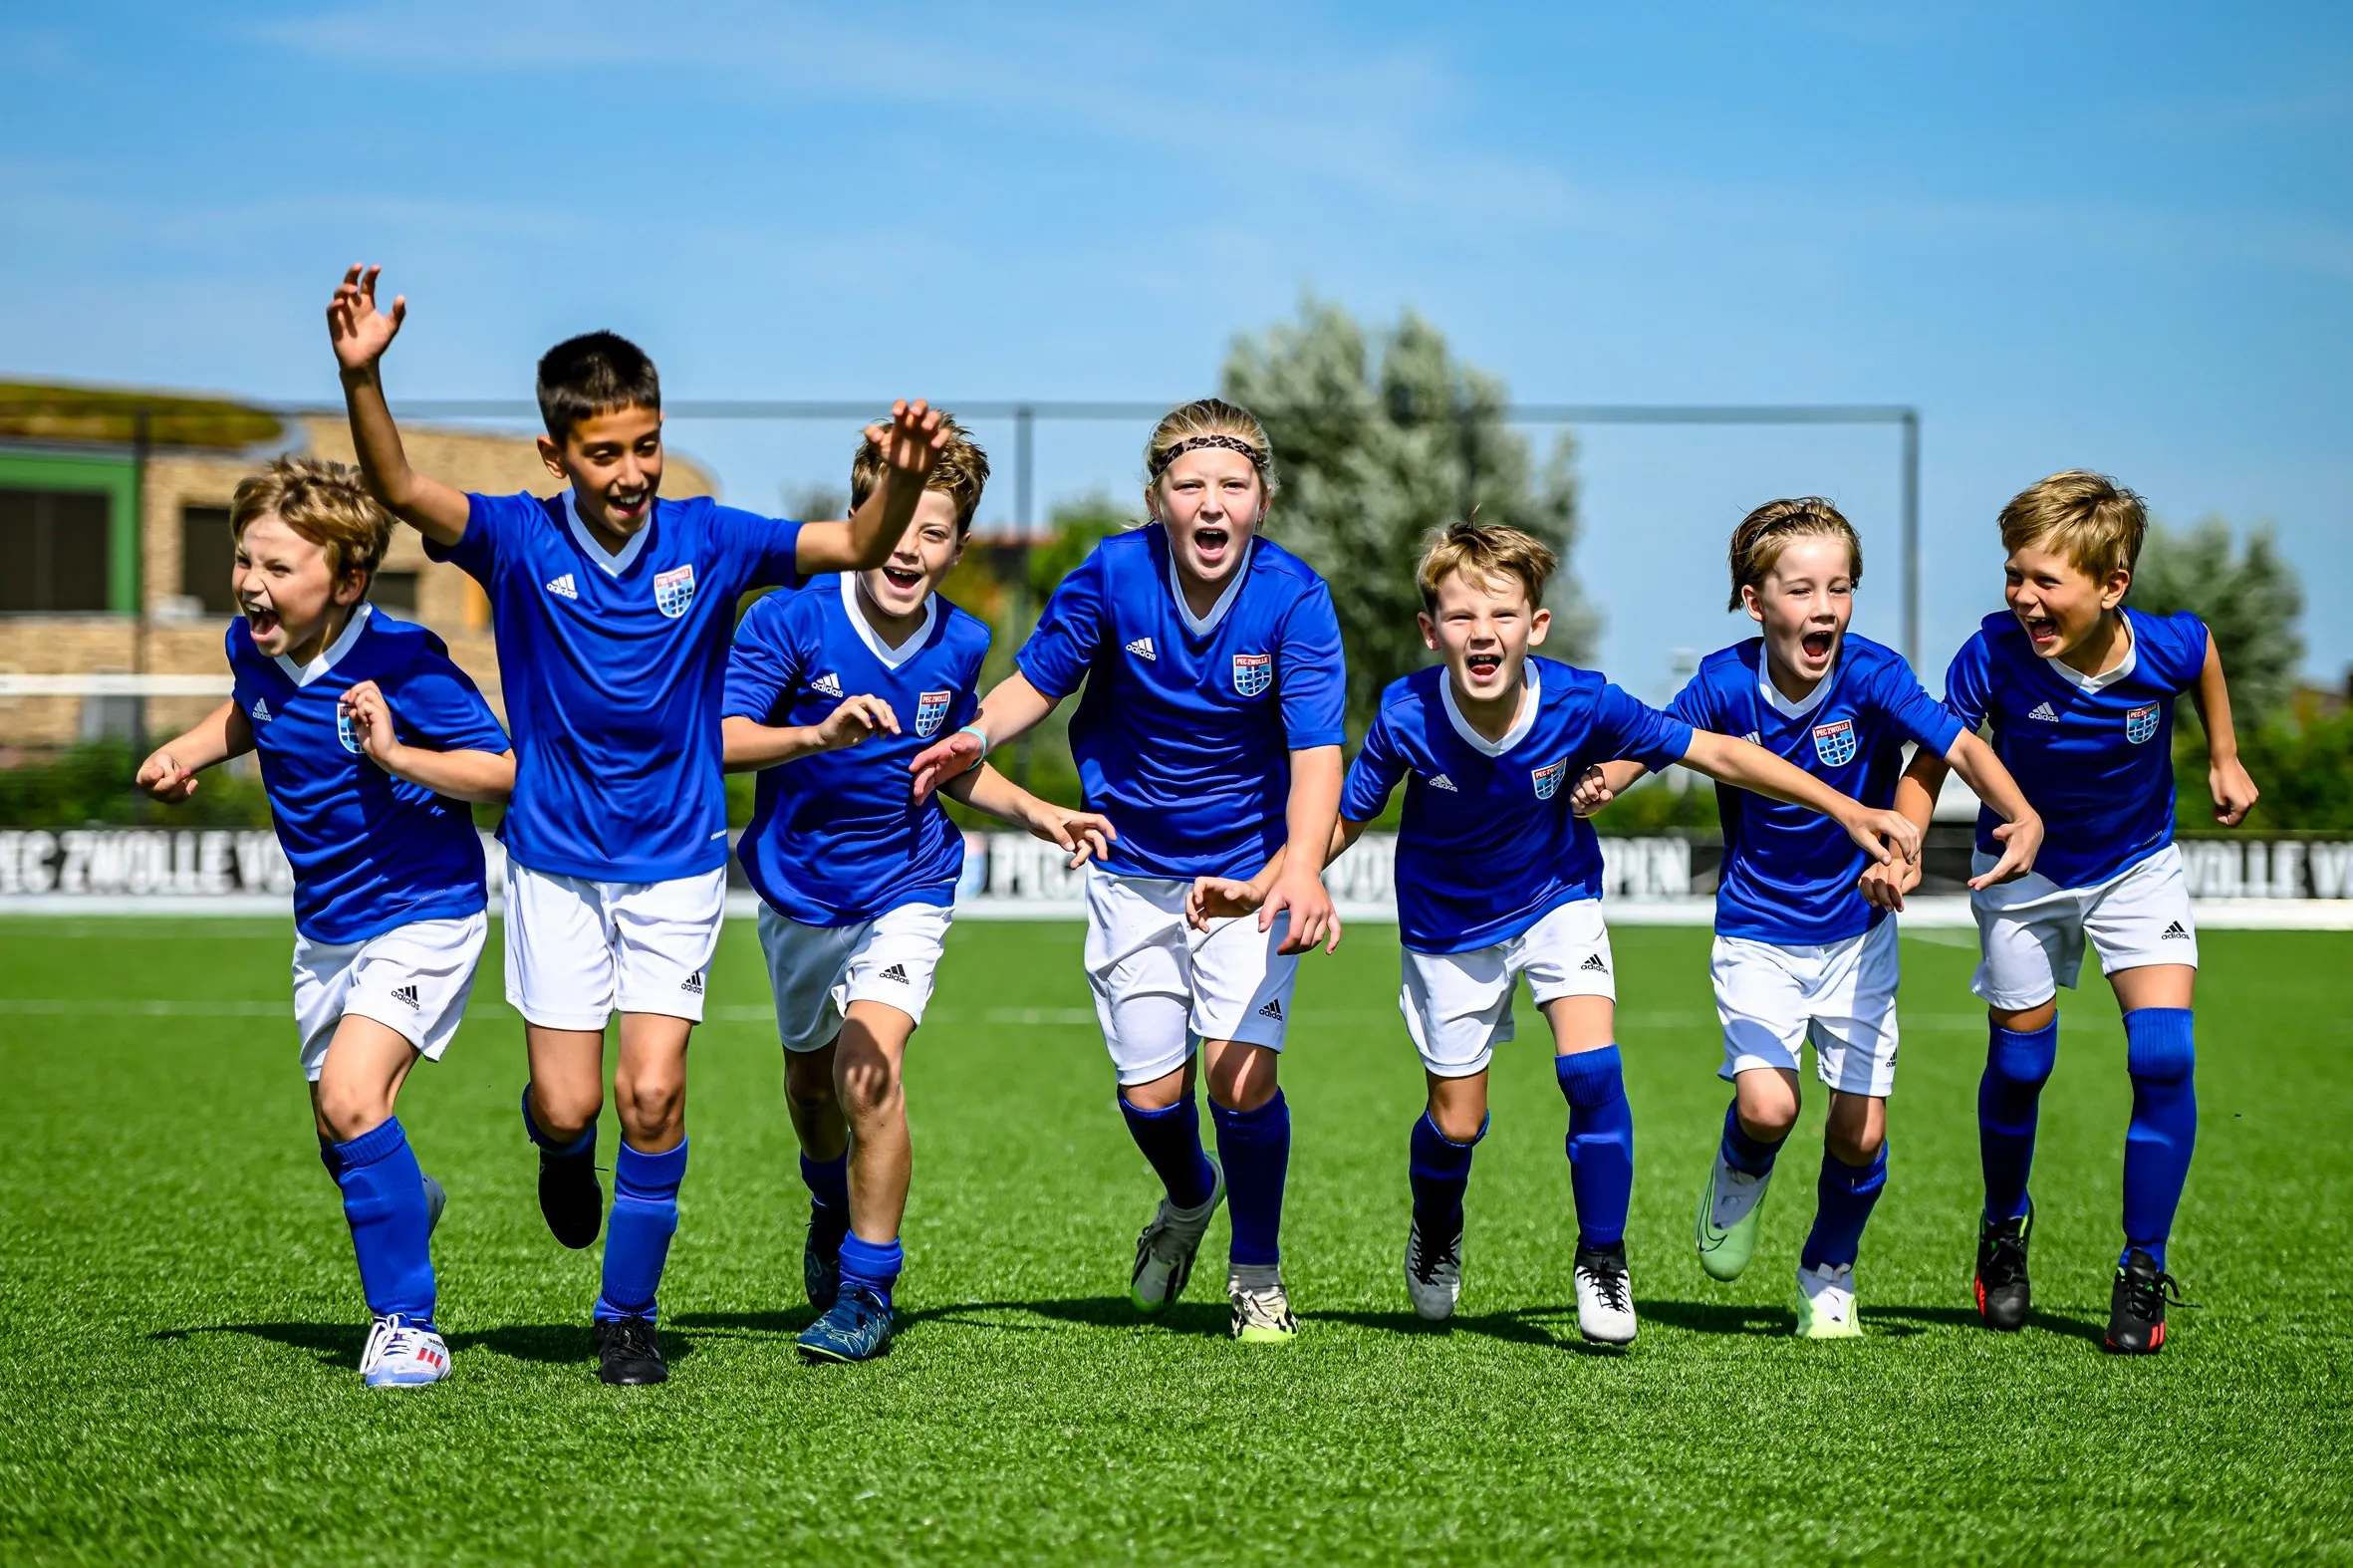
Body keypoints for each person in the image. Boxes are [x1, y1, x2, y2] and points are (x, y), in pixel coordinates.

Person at [327, 264, 949, 1385]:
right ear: (555, 455)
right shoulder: (518, 538)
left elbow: (855, 543)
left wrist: (899, 485)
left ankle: (628, 1313)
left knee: (651, 1094)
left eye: (646, 445)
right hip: (556, 867)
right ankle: (556, 1150)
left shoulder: (710, 539)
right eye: (605, 452)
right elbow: (403, 487)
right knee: (570, 1106)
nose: (631, 472)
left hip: (674, 867)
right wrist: (362, 376)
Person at [1199, 521, 1922, 1345]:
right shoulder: (1406, 714)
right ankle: (1437, 1229)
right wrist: (1268, 884)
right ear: (1430, 631)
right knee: (1457, 1121)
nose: (1484, 633)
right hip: (1448, 926)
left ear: (1535, 627)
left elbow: (1715, 753)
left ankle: (1603, 1261)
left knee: (1589, 1069)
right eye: (1462, 617)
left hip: (1557, 899)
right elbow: (1341, 820)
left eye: (1504, 615)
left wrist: (1849, 807)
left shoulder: (1581, 698)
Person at [908, 398, 1345, 1344]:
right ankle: (1189, 1198)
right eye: (1191, 485)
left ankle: (1256, 1272)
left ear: (1263, 499)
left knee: (1240, 1084)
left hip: (1243, 881)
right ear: (1158, 500)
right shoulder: (1111, 574)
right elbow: (1038, 680)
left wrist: (1300, 868)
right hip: (1130, 868)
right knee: (1152, 1099)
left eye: (1233, 484)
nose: (1213, 502)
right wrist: (973, 736)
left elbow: (1316, 752)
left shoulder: (1296, 599)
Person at [1573, 498, 2042, 1337]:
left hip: (1858, 939)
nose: (1823, 607)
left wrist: (2020, 813)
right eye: (1801, 589)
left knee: (1860, 1133)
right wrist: (1606, 780)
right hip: (1757, 932)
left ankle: (1828, 1270)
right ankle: (1738, 1170)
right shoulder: (1723, 680)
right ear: (1757, 603)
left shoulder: (1871, 674)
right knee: (1769, 1108)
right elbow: (1655, 738)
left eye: (1840, 587)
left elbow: (1960, 745)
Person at [723, 415, 1114, 1364]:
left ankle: (867, 1288)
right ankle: (829, 1202)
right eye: (893, 522)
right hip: (798, 891)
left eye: (933, 532)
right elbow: (724, 740)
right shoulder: (789, 618)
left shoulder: (962, 641)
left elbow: (951, 765)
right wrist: (817, 738)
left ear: (959, 544)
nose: (910, 547)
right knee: (811, 1090)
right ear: (858, 516)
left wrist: (1039, 812)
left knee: (870, 1072)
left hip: (909, 883)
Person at [135, 457, 513, 1388]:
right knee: (339, 1132)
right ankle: (402, 1197)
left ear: (347, 582)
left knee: (353, 1100)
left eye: (278, 569)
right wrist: (187, 753)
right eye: (243, 562)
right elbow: (252, 713)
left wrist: (394, 752)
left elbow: (503, 772)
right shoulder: (249, 646)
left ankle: (409, 1327)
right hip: (328, 928)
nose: (252, 585)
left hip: (425, 910)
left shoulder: (408, 663)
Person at [1881, 471, 2256, 1355]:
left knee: (2164, 1053)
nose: (2023, 597)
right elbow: (1937, 757)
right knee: (2021, 1067)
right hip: (2021, 870)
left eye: (2047, 581)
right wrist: (1902, 833)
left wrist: (2224, 756)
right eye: (2015, 575)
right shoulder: (1990, 654)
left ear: (2111, 587)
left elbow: (2202, 651)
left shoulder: (2160, 647)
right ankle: (2004, 1230)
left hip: (2135, 870)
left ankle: (2141, 1266)